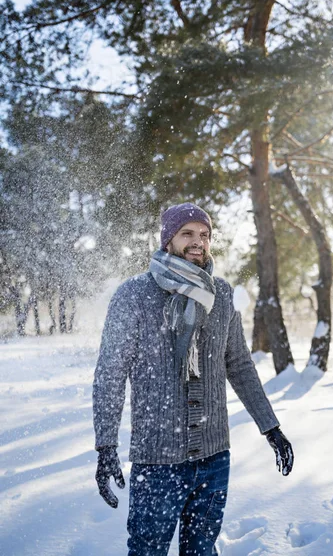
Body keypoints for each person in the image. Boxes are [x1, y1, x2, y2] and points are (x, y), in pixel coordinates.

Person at [93, 202, 294, 556]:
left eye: (204, 234)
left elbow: (240, 366)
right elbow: (110, 373)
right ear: (167, 240)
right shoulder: (134, 296)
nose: (197, 241)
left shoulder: (221, 294)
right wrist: (106, 444)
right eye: (187, 233)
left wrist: (271, 427)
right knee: (147, 551)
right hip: (157, 462)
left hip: (215, 459)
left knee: (202, 551)